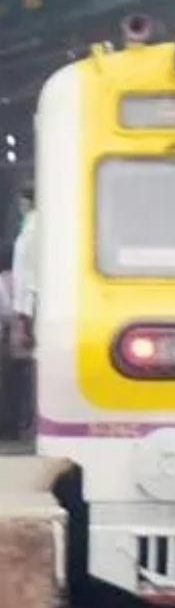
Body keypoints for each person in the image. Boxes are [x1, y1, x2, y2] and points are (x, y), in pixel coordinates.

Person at [7, 186, 36, 439]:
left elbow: (26, 276)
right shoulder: (35, 228)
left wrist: (23, 316)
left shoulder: (32, 231)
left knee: (31, 365)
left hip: (32, 305)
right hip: (31, 304)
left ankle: (29, 424)